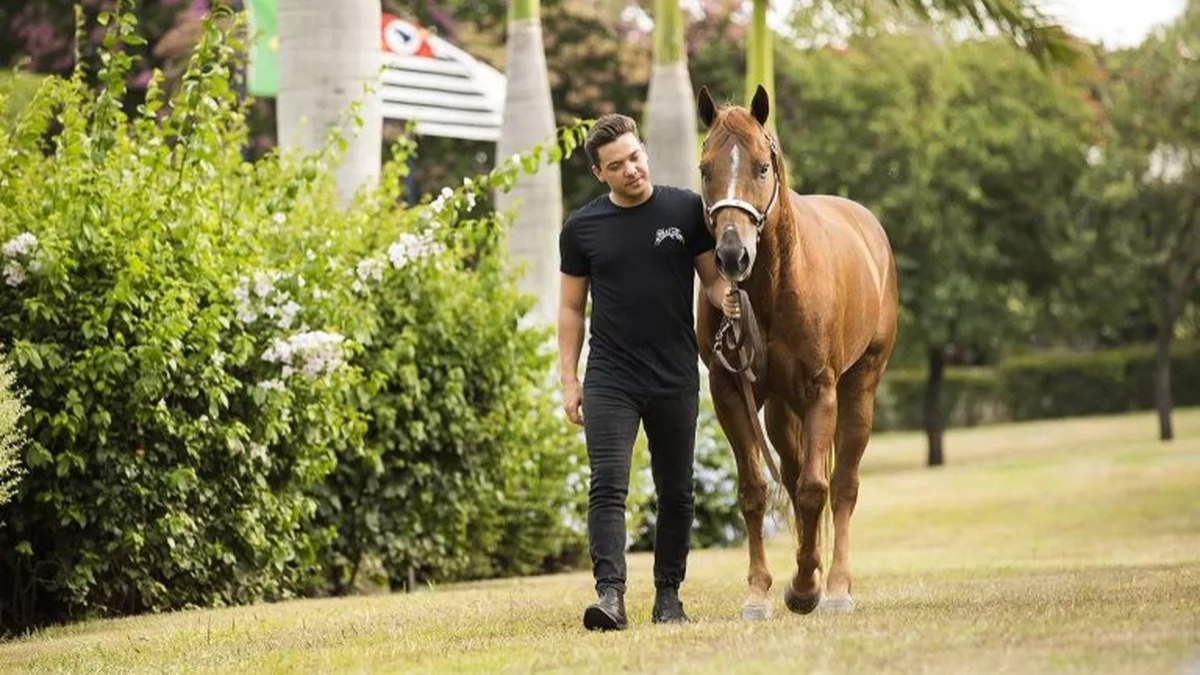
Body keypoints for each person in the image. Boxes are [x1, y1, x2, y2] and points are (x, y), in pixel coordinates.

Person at [557, 113, 737, 631]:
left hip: (674, 375)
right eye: (617, 165)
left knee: (677, 490)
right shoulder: (582, 229)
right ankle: (609, 597)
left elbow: (712, 283)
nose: (632, 170)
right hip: (611, 376)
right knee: (608, 486)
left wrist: (730, 301)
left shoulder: (684, 209)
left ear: (644, 151)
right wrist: (570, 381)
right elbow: (571, 309)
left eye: (636, 157)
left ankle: (668, 598)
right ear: (600, 173)